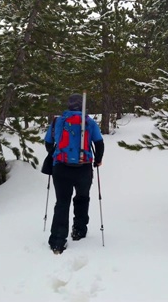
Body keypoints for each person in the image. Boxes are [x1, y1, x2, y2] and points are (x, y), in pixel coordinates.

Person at [44, 93, 104, 254]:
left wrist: (55, 154)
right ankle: (79, 231)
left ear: (69, 105)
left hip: (61, 168)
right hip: (83, 168)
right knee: (82, 198)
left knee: (62, 202)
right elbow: (99, 143)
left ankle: (57, 240)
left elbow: (48, 143)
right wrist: (97, 160)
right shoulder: (89, 122)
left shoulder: (58, 121)